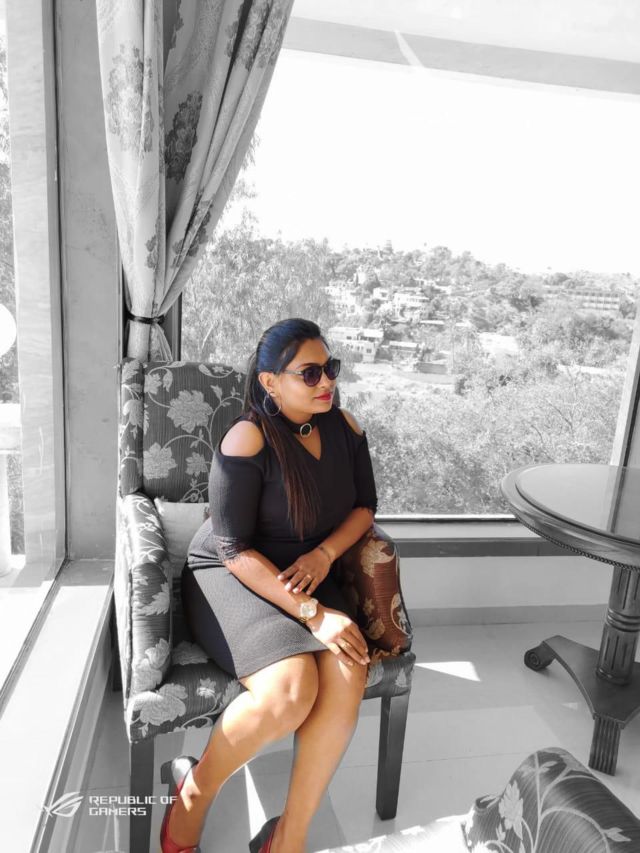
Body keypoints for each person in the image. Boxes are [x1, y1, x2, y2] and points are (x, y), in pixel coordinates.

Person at [159, 318, 379, 853]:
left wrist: (324, 555)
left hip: (305, 570)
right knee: (289, 692)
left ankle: (287, 840)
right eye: (310, 372)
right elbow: (232, 548)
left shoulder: (345, 427)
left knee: (348, 669)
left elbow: (365, 507)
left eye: (331, 367)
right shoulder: (248, 436)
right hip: (231, 572)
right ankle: (194, 792)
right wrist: (314, 615)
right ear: (270, 382)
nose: (327, 381)